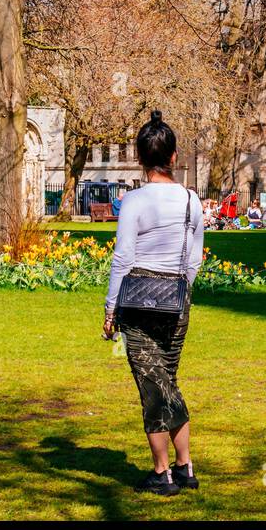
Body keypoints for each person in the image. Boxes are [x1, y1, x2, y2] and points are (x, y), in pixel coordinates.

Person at [103, 111, 204, 496]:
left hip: (139, 305)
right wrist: (180, 291)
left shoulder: (134, 201)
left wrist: (111, 309)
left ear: (141, 158)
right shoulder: (191, 200)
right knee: (168, 382)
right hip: (177, 301)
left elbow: (123, 258)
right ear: (174, 157)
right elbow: (194, 259)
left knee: (152, 387)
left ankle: (162, 472)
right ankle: (184, 465)